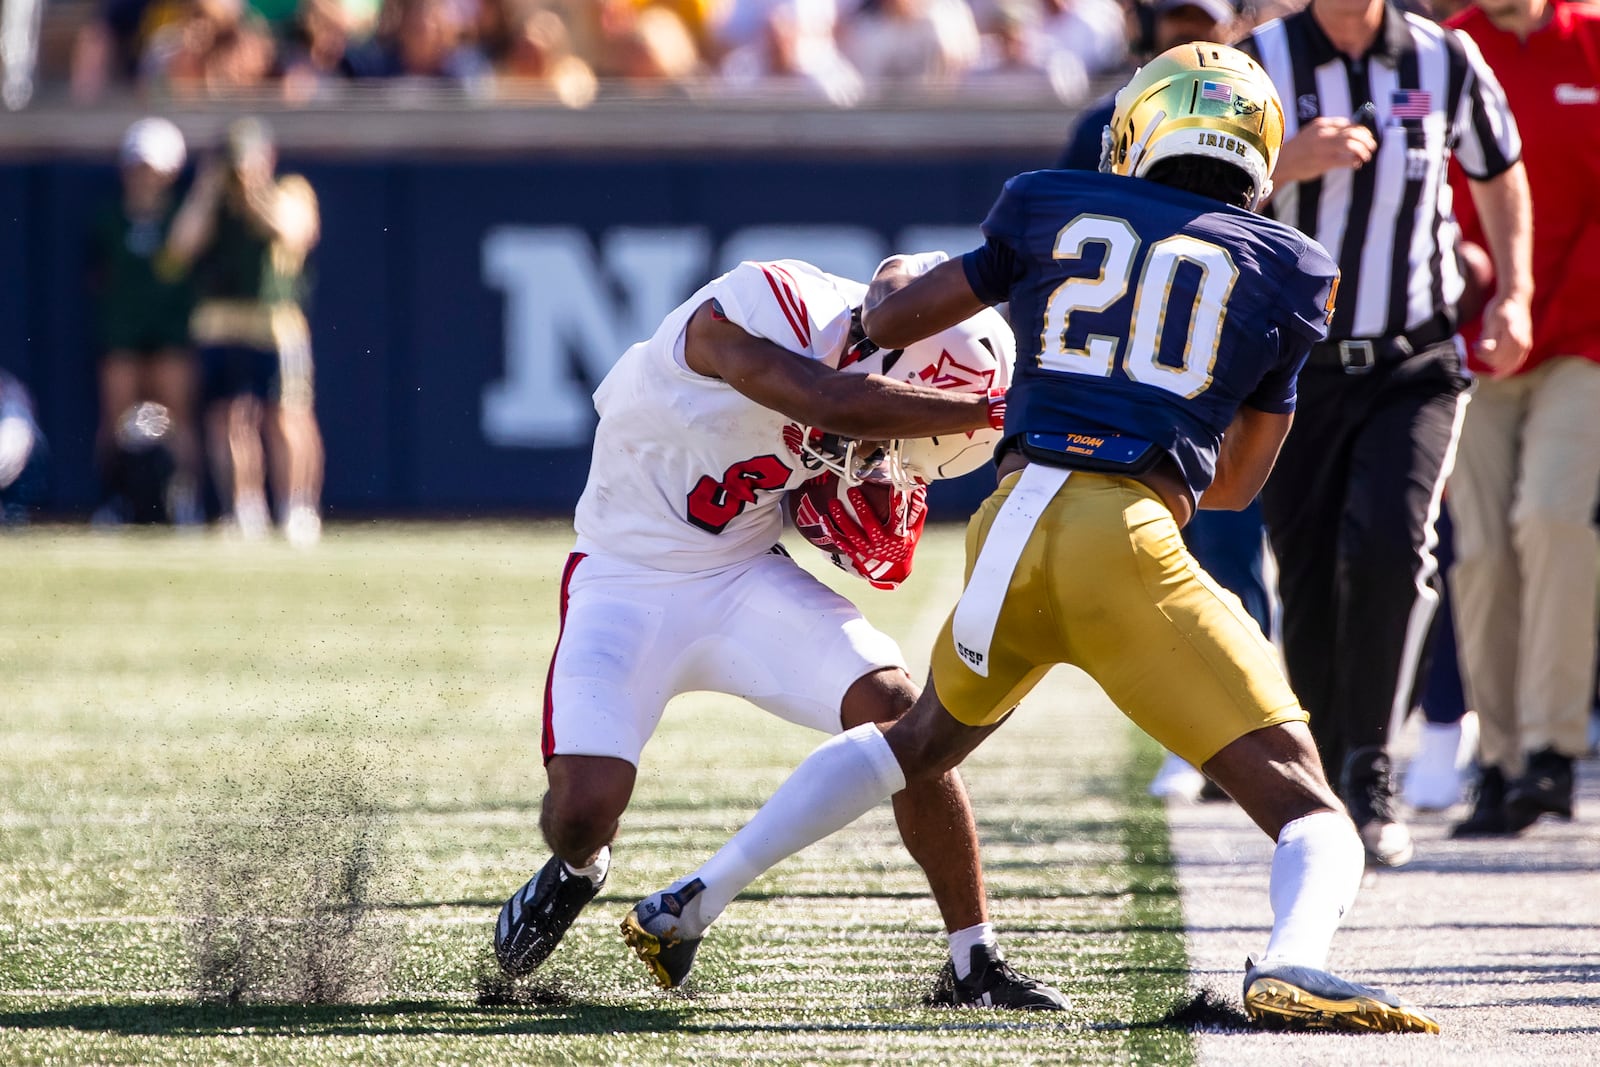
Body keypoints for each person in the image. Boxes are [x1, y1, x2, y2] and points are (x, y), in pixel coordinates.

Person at [624, 43, 1441, 1034]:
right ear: (1259, 152)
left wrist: (893, 289)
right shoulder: (1292, 266)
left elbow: (890, 319)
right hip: (1127, 533)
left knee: (919, 741)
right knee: (1311, 807)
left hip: (1010, 519)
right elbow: (1231, 488)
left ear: (1137, 129)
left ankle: (691, 897)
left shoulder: (1048, 201)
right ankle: (1293, 960)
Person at [493, 257, 1067, 1010]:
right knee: (581, 810)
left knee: (898, 709)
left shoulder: (876, 370)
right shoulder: (773, 303)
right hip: (622, 577)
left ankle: (973, 960)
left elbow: (837, 451)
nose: (888, 456)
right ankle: (575, 869)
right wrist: (981, 411)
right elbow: (828, 397)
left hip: (739, 571)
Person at [1235, 0, 1532, 867]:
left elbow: (1500, 169)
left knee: (1393, 544)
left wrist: (1511, 291)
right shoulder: (1258, 62)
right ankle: (1326, 767)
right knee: (1308, 561)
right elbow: (1187, 191)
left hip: (1416, 355)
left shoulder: (1447, 58)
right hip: (1290, 361)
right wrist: (1286, 161)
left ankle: (1369, 763)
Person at [1060, 0, 1258, 805]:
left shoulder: (1261, 111)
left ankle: (1252, 735)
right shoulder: (1105, 122)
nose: (1188, 33)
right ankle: (1192, 736)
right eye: (1174, 17)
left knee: (1237, 558)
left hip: (1231, 370)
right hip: (1131, 380)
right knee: (1151, 562)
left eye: (1200, 17)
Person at [1442, 0, 1600, 837]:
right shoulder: (1448, 50)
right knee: (1481, 549)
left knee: (1551, 518)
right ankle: (1498, 762)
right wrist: (1488, 301)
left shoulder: (1595, 44)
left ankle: (1551, 751)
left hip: (1585, 338)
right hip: (1474, 338)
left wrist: (1536, 305)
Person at [164, 117, 324, 546]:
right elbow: (179, 250)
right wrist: (207, 190)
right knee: (226, 420)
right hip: (219, 322)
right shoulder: (211, 200)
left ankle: (297, 507)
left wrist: (254, 191)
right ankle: (244, 506)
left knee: (286, 417)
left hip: (274, 323)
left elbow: (293, 232)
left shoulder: (291, 191)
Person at [89, 117, 202, 526]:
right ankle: (114, 501)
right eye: (138, 167)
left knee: (177, 418)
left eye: (152, 169)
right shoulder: (109, 219)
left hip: (170, 330)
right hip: (121, 330)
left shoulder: (182, 219)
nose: (144, 177)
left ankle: (185, 502)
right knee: (117, 417)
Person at [0, 369, 47, 527]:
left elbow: (16, 439)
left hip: (9, 481)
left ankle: (12, 512)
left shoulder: (8, 390)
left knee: (19, 433)